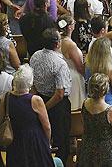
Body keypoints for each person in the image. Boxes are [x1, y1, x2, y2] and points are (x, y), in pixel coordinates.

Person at [29, 28, 72, 165]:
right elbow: (59, 94)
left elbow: (32, 81)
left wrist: (39, 105)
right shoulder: (60, 63)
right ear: (57, 44)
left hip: (40, 98)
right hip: (57, 105)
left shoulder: (35, 56)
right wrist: (44, 108)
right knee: (61, 139)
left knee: (44, 137)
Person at [2, 65, 55, 167]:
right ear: (30, 82)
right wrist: (47, 143)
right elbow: (47, 126)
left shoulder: (6, 97)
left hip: (15, 140)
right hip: (34, 141)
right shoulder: (36, 100)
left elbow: (1, 119)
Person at [78, 73, 112, 166]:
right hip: (107, 153)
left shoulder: (85, 104)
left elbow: (84, 123)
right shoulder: (110, 111)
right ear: (106, 89)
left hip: (88, 149)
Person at [58, 15, 86, 111]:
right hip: (74, 76)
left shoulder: (58, 40)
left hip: (65, 75)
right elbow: (79, 67)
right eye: (73, 23)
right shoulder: (70, 44)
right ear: (70, 27)